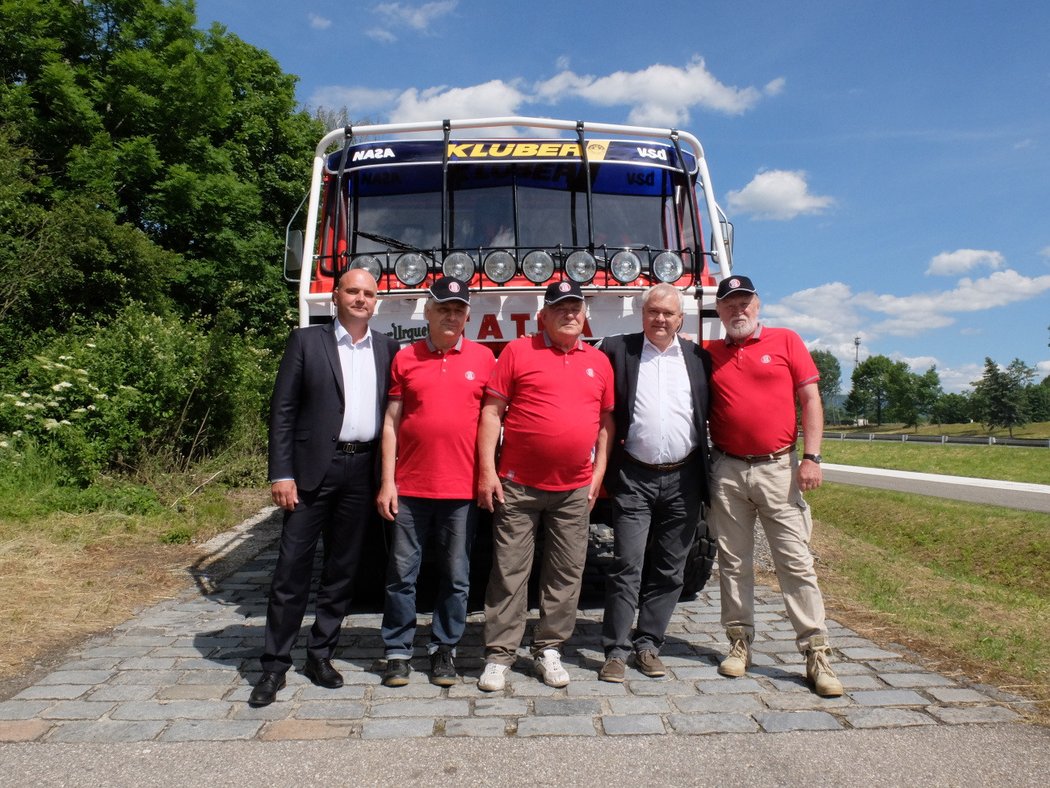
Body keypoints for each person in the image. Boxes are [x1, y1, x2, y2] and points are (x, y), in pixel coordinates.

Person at [250, 267, 400, 707]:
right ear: (335, 297)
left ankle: (321, 653)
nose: (360, 299)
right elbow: (283, 412)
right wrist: (282, 473)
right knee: (291, 569)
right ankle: (274, 665)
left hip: (362, 469)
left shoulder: (387, 349)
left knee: (342, 570)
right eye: (352, 291)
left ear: (377, 302)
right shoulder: (306, 342)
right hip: (312, 471)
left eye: (368, 294)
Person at [707, 274, 843, 697]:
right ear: (719, 311)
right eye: (729, 304)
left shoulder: (786, 341)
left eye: (744, 302)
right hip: (728, 470)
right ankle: (738, 643)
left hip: (779, 469)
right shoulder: (708, 352)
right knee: (733, 563)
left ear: (758, 304)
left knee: (795, 562)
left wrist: (812, 457)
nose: (738, 310)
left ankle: (816, 652)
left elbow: (810, 400)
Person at [476, 280, 614, 691]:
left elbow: (606, 424)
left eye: (576, 308)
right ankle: (500, 654)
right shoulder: (518, 351)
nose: (569, 314)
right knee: (509, 572)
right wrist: (487, 471)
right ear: (544, 315)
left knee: (566, 573)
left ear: (585, 315)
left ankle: (549, 648)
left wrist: (599, 475)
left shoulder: (599, 361)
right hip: (518, 486)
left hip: (574, 489)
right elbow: (492, 412)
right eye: (560, 308)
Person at [376, 277, 496, 687]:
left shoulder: (484, 360)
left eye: (458, 309)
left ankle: (444, 648)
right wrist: (387, 481)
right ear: (427, 312)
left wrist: (486, 476)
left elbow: (491, 423)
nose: (451, 315)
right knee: (400, 575)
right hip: (410, 487)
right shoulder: (405, 358)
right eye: (443, 308)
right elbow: (391, 423)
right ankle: (397, 650)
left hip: (461, 490)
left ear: (467, 316)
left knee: (457, 576)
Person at [597, 284, 712, 683]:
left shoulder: (699, 358)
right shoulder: (616, 349)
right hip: (634, 476)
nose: (660, 319)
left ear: (681, 319)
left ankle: (648, 644)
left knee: (669, 570)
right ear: (642, 314)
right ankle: (615, 650)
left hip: (684, 478)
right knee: (627, 564)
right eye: (653, 312)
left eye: (668, 313)